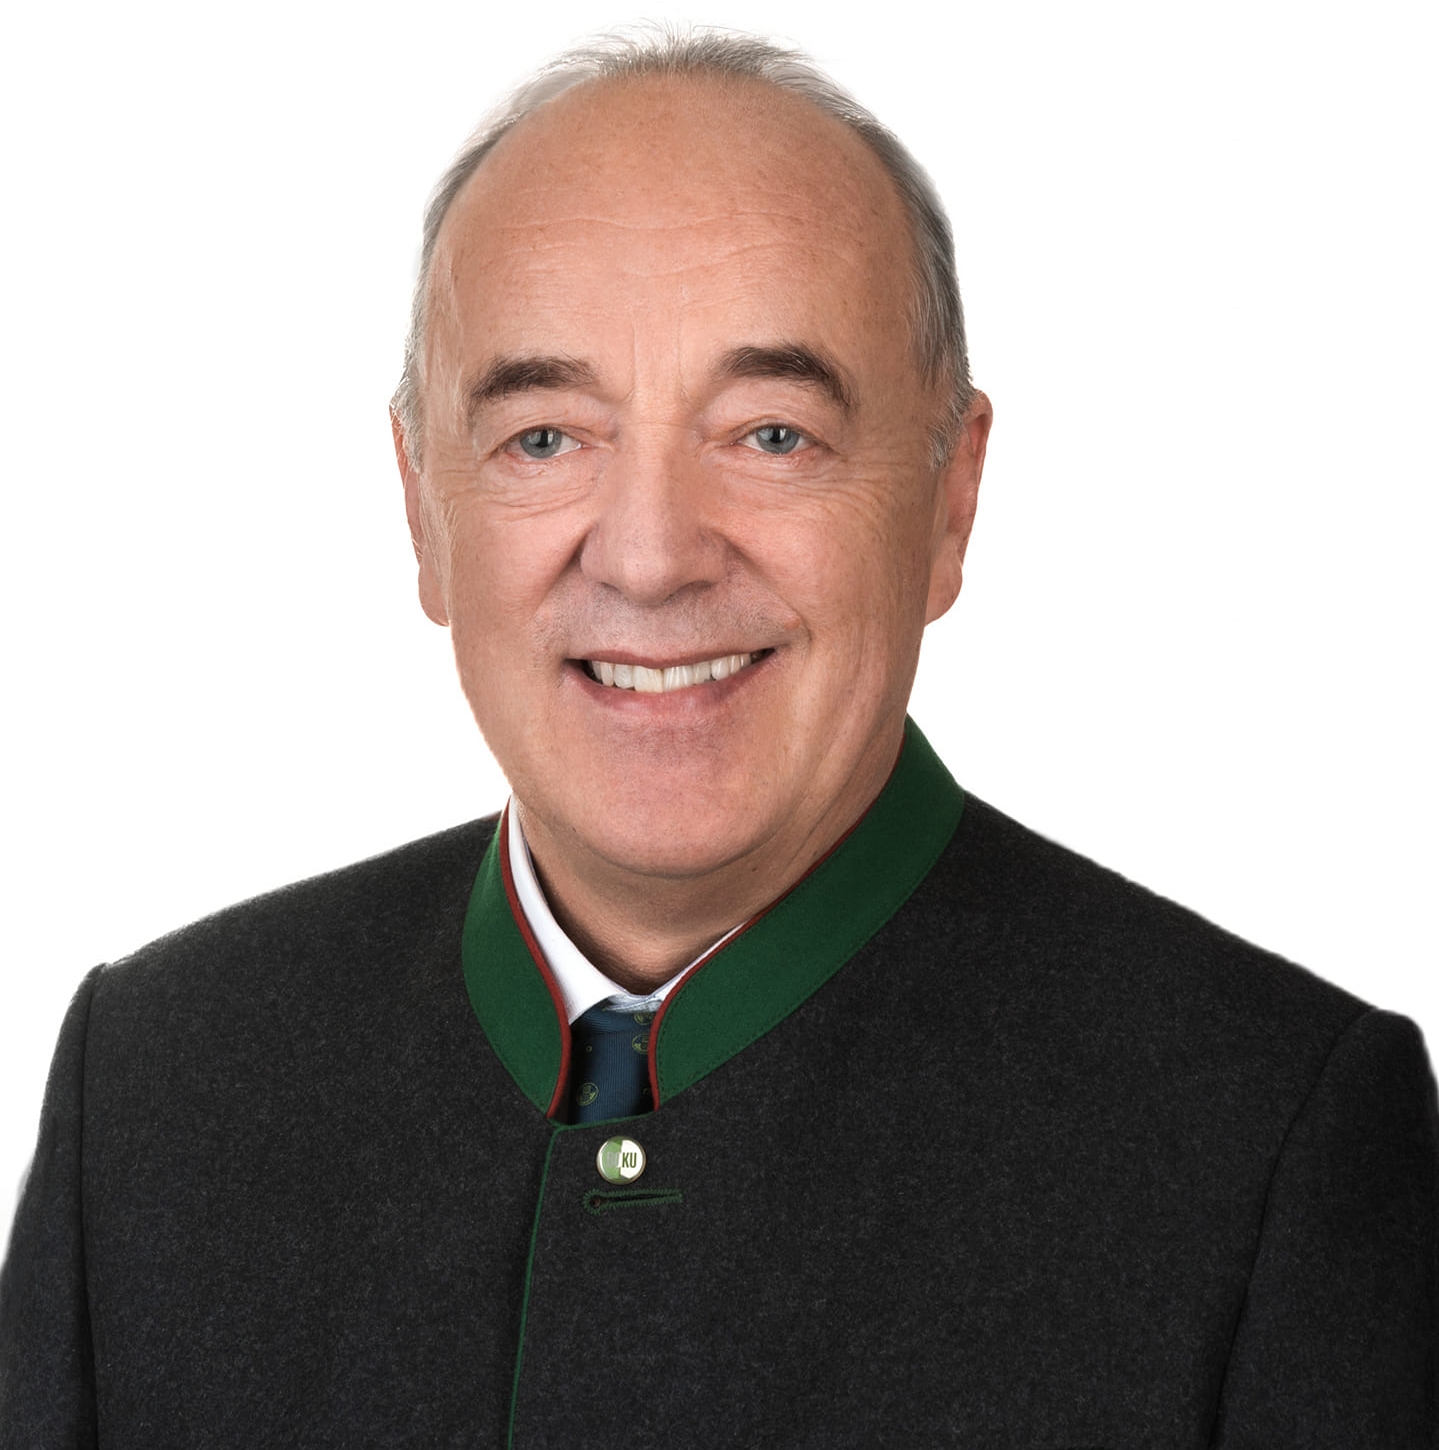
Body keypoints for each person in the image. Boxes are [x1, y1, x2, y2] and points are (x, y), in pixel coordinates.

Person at [2, 27, 1434, 1448]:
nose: (648, 557)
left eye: (771, 435)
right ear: (421, 509)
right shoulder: (157, 1090)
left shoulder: (1270, 1147)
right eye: (545, 438)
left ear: (950, 500)